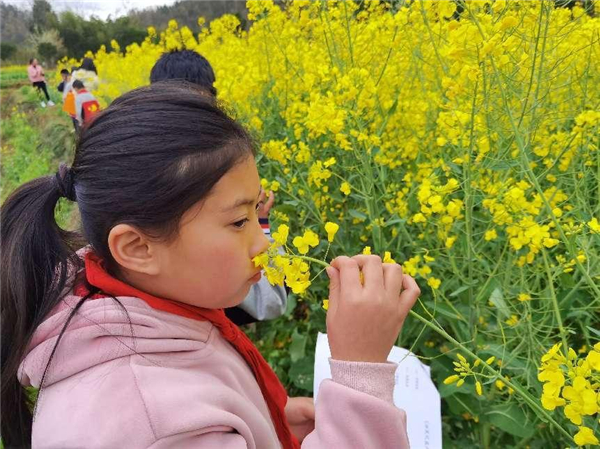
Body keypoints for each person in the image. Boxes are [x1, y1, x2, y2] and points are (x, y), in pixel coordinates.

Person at [0, 82, 420, 448]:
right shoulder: (150, 425)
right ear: (137, 247)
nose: (262, 243)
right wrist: (359, 376)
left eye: (258, 211)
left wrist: (262, 423)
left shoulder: (142, 305)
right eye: (239, 221)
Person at [151, 49, 285, 326]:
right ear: (211, 97)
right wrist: (260, 225)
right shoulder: (209, 169)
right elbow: (270, 302)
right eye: (237, 222)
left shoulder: (138, 162)